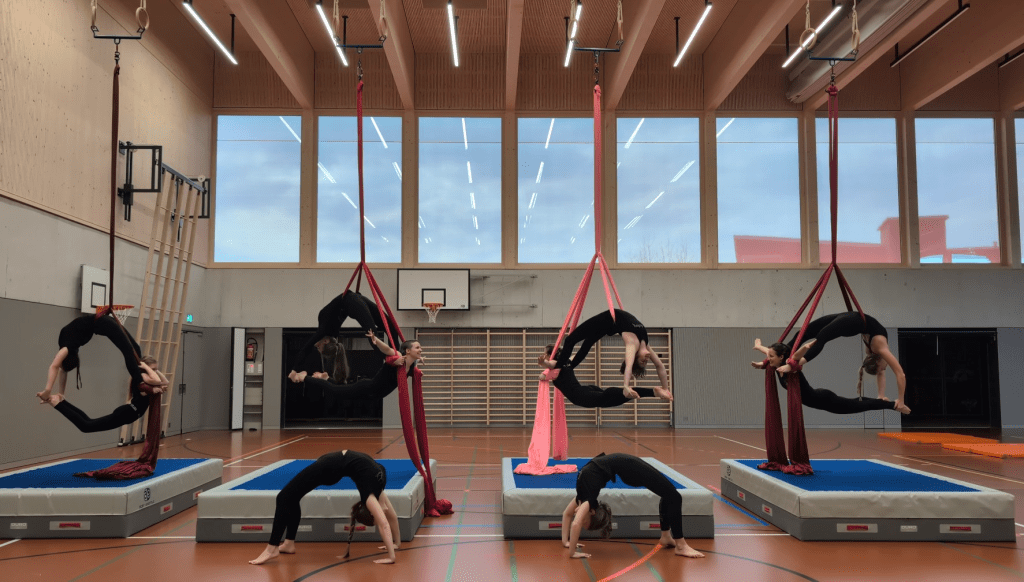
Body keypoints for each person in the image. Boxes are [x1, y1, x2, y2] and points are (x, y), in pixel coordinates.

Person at [249, 449, 399, 566]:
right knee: (290, 497)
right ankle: (288, 544)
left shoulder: (376, 484)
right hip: (331, 465)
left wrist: (393, 553)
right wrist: (395, 547)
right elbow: (388, 520)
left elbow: (386, 521)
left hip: (331, 465)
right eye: (377, 514)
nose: (382, 512)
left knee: (284, 497)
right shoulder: (375, 491)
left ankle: (272, 548)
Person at [752, 311, 909, 410]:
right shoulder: (881, 348)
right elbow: (900, 374)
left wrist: (881, 396)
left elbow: (880, 372)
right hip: (853, 321)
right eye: (883, 368)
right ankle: (794, 363)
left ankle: (787, 361)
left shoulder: (876, 353)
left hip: (849, 319)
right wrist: (901, 401)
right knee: (818, 337)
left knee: (806, 333)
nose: (884, 369)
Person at [561, 452, 703, 559]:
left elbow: (571, 520)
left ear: (591, 512)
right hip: (627, 467)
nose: (578, 517)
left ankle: (674, 541)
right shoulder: (585, 499)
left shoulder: (586, 501)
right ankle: (675, 542)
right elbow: (570, 518)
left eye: (584, 521)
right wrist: (568, 544)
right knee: (672, 496)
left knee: (672, 496)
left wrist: (570, 548)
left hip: (628, 466)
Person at [542, 310, 668, 401]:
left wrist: (626, 386)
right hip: (608, 324)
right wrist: (665, 388)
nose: (647, 359)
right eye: (645, 362)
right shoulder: (645, 344)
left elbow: (629, 366)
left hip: (606, 321)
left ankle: (560, 368)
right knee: (582, 344)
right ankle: (563, 367)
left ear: (635, 356)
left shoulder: (632, 344)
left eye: (642, 361)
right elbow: (659, 366)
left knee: (571, 341)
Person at [37, 312, 147, 402]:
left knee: (134, 349)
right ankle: (140, 384)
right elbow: (59, 369)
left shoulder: (67, 348)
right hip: (103, 322)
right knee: (131, 350)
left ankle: (141, 381)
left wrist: (48, 391)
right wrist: (59, 394)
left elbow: (57, 367)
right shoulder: (68, 348)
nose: (55, 358)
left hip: (102, 321)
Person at [288, 331, 422, 401]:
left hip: (374, 395)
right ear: (407, 351)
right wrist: (376, 340)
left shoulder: (411, 366)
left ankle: (326, 378)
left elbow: (413, 370)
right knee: (336, 391)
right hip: (367, 388)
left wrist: (419, 360)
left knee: (340, 390)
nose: (420, 350)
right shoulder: (398, 357)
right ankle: (304, 377)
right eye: (417, 348)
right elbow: (387, 349)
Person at [47, 355, 169, 432]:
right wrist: (147, 368)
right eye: (153, 369)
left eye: (156, 369)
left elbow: (166, 382)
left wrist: (155, 370)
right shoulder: (143, 377)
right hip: (127, 413)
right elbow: (159, 381)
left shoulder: (146, 378)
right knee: (86, 426)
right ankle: (58, 404)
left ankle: (62, 402)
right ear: (145, 369)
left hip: (128, 413)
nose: (155, 372)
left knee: (88, 422)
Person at [538, 345, 671, 407]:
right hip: (585, 390)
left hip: (580, 396)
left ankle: (652, 392)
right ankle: (652, 392)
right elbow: (574, 356)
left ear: (550, 355)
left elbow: (549, 365)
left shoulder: (555, 366)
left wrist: (543, 363)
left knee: (610, 397)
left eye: (545, 353)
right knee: (611, 398)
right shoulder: (567, 362)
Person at [297, 290, 394, 356]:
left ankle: (396, 355)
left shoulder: (329, 331)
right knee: (374, 336)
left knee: (391, 327)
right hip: (353, 303)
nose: (316, 345)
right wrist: (294, 370)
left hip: (355, 299)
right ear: (325, 341)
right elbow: (306, 348)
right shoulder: (324, 331)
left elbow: (308, 347)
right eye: (319, 347)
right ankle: (392, 358)